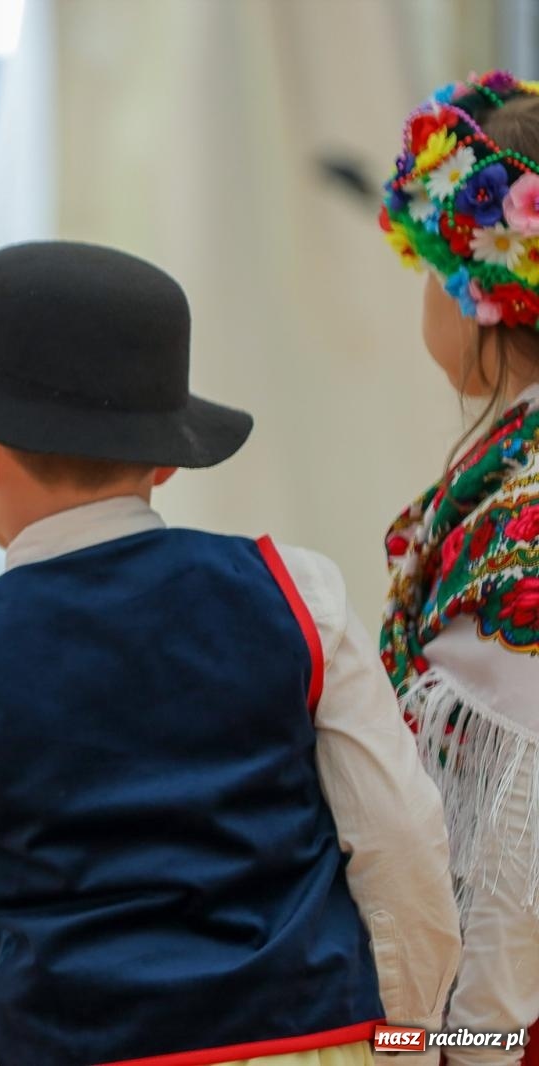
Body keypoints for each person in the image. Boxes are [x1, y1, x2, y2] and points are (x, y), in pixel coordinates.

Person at [0, 241, 460, 1065]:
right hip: (318, 1039)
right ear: (165, 459)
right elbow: (401, 835)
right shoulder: (296, 594)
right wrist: (414, 1037)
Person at [378, 70, 539, 1063]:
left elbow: (512, 842)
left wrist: (460, 1047)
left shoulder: (520, 532)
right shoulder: (502, 484)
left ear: (480, 289)